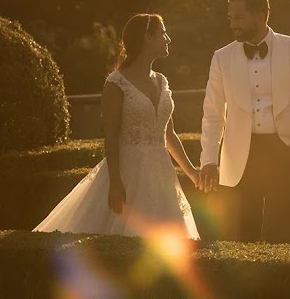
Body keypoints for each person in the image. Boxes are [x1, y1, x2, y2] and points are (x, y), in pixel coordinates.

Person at [34, 14, 201, 239]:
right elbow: (111, 136)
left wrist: (192, 172)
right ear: (147, 38)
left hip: (162, 173)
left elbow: (168, 133)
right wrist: (115, 182)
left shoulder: (162, 81)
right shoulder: (116, 83)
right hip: (127, 172)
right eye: (163, 33)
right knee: (124, 237)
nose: (168, 39)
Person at [197, 0, 290, 244]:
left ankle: (287, 284)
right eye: (231, 17)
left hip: (287, 151)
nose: (233, 24)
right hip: (241, 156)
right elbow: (212, 114)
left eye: (239, 17)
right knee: (243, 239)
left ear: (261, 16)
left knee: (288, 238)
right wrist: (209, 160)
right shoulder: (221, 58)